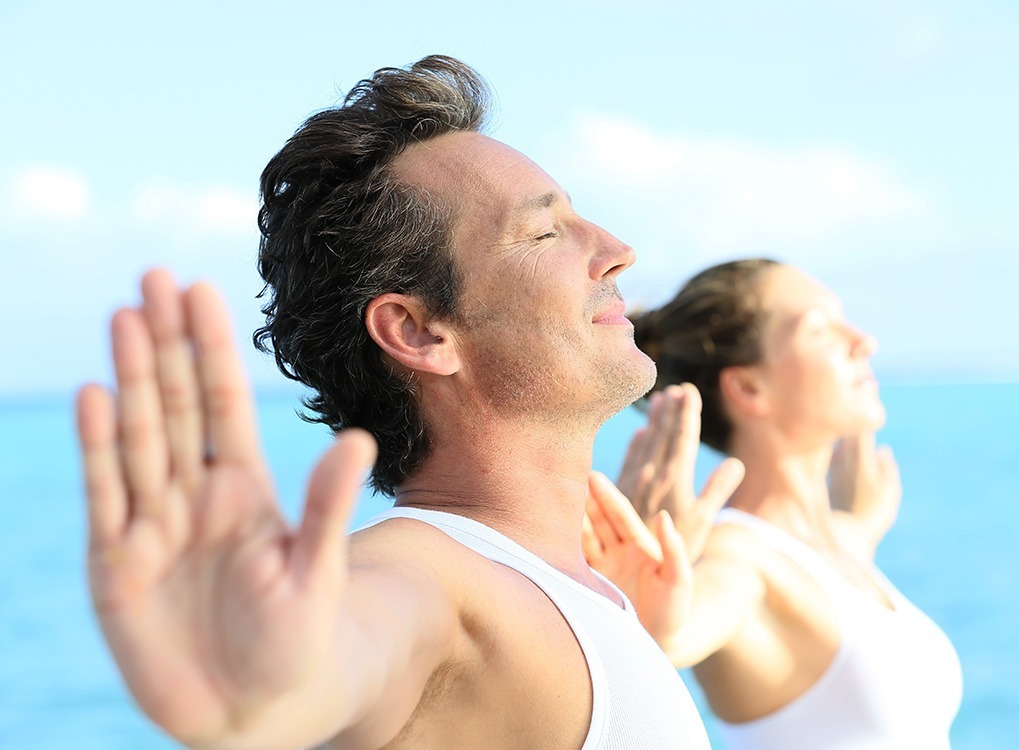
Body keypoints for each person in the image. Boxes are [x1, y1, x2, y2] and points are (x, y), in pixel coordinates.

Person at [75, 55, 725, 750]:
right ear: (418, 331)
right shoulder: (424, 577)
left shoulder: (565, 590)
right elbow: (353, 645)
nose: (616, 250)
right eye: (543, 232)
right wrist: (271, 686)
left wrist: (632, 637)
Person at [582, 258, 963, 749]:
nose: (863, 342)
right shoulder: (738, 558)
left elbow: (828, 567)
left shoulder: (837, 545)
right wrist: (651, 618)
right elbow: (688, 625)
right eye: (821, 331)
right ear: (747, 387)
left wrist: (860, 522)